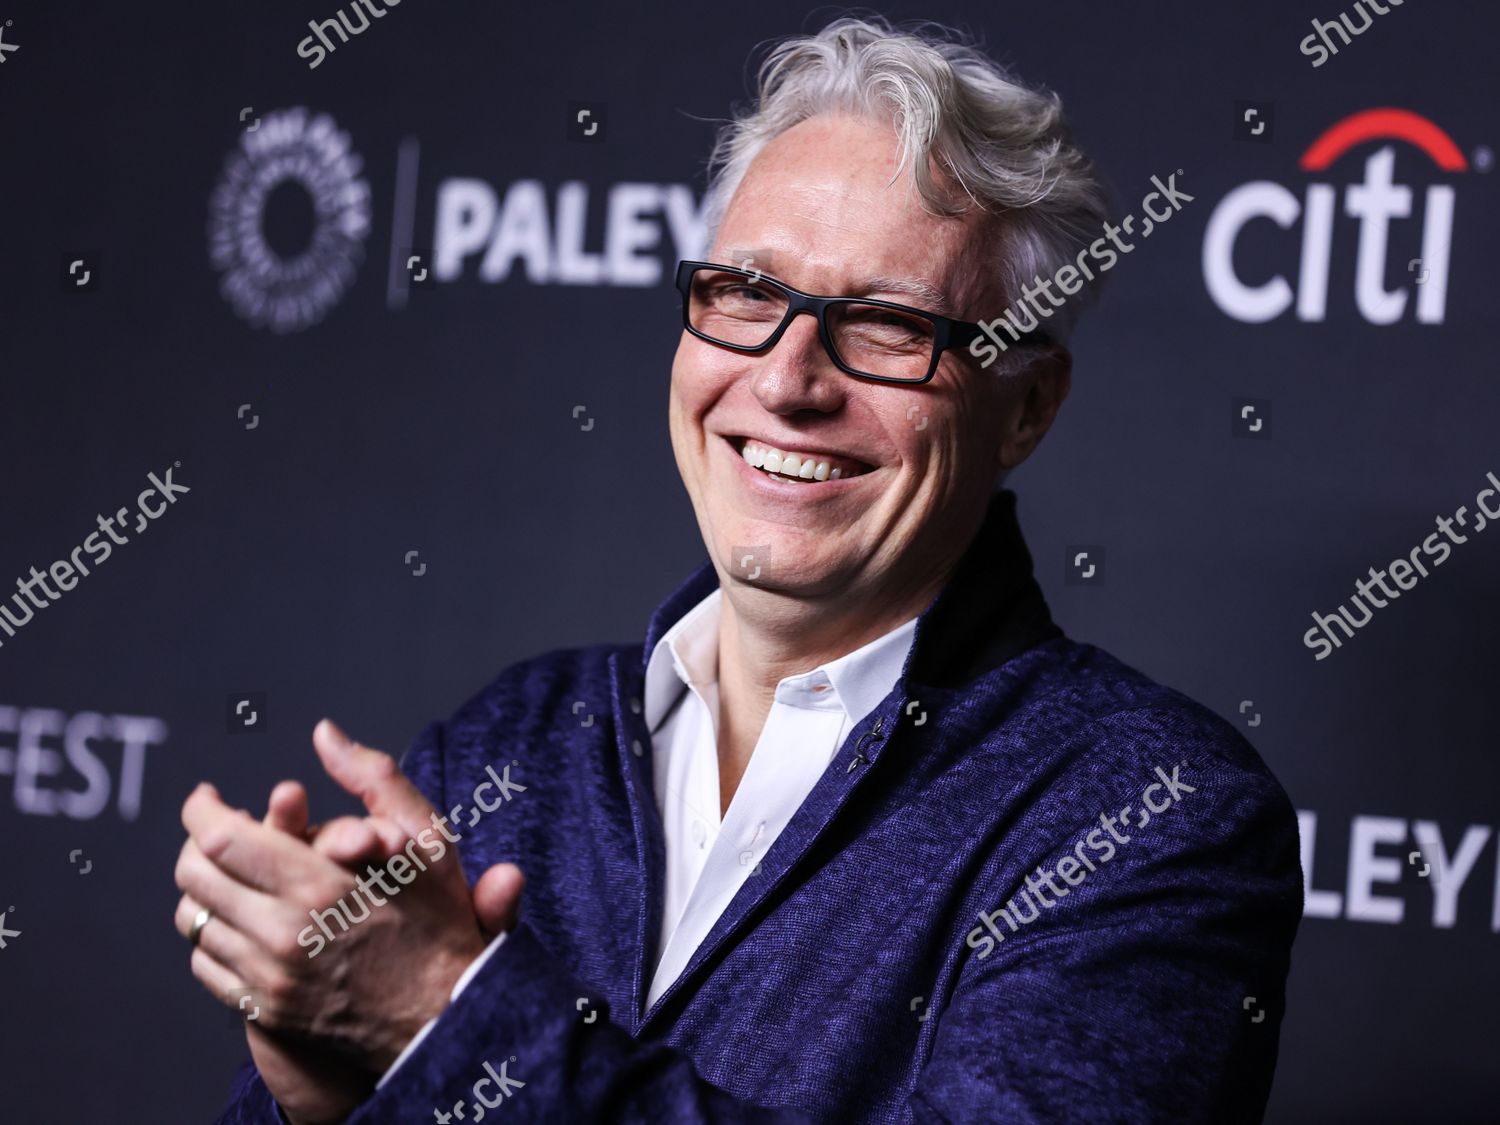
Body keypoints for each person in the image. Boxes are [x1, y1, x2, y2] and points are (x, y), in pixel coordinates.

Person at [175, 16, 1302, 1123]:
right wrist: (316, 1102)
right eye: (748, 295)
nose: (788, 380)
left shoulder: (1153, 815)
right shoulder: (509, 741)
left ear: (1028, 408)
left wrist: (442, 1021)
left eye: (887, 324)